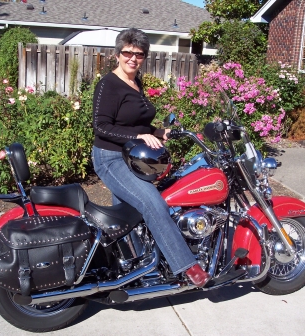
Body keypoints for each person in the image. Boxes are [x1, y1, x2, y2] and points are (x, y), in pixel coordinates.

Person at [91, 28, 211, 287]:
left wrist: (159, 132)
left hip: (134, 157)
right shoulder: (109, 85)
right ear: (118, 54)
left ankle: (137, 266)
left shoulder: (136, 82)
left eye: (139, 54)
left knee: (129, 216)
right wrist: (139, 138)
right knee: (153, 204)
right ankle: (188, 266)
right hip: (111, 158)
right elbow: (101, 126)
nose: (132, 58)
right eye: (127, 53)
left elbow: (135, 123)